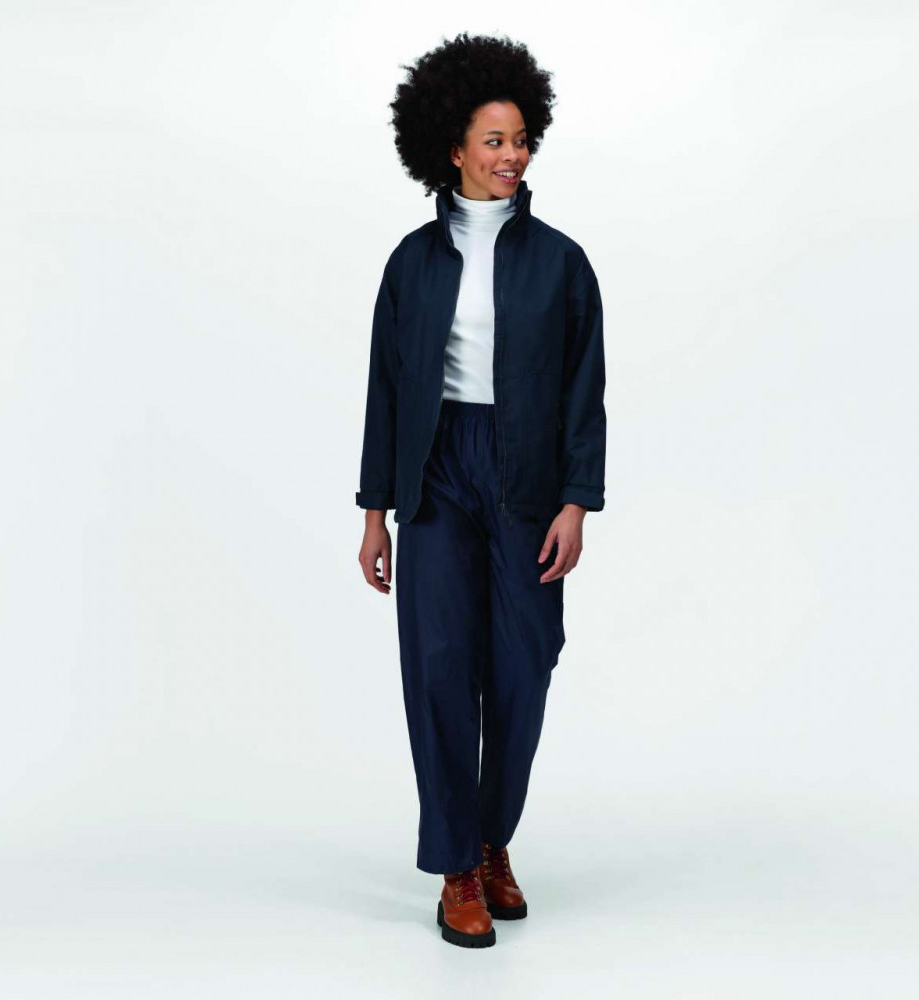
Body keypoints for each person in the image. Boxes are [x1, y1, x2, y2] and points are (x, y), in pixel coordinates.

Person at [356, 32, 607, 949]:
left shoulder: (562, 262)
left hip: (526, 475)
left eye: (522, 139)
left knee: (523, 664)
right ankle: (458, 865)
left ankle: (494, 837)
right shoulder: (412, 263)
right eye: (495, 140)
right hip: (434, 474)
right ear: (453, 146)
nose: (513, 156)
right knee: (437, 665)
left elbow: (585, 389)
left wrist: (576, 500)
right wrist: (376, 515)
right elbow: (387, 390)